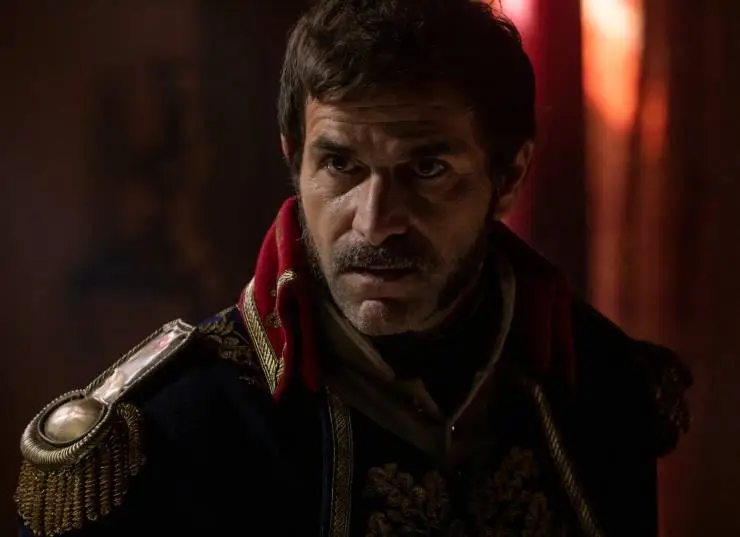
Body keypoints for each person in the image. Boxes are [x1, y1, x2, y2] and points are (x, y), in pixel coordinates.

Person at [15, 0, 692, 535]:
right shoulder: (171, 430)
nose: (374, 222)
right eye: (340, 164)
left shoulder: (604, 387)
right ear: (295, 161)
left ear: (509, 176)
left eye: (426, 169)